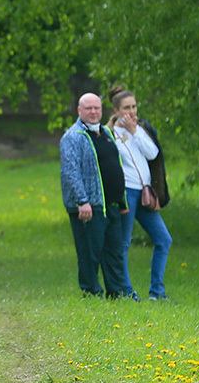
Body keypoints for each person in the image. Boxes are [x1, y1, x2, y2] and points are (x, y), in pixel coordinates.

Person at [59, 92, 136, 300]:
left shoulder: (105, 133)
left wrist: (122, 201)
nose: (93, 112)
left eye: (97, 108)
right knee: (90, 253)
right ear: (79, 111)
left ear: (102, 110)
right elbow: (70, 172)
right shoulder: (73, 137)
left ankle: (117, 293)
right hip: (88, 207)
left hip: (109, 205)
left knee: (114, 252)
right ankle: (91, 293)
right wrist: (82, 201)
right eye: (88, 108)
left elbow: (115, 166)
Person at [107, 86, 173, 301]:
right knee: (124, 244)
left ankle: (157, 293)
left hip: (145, 192)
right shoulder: (110, 134)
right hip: (126, 193)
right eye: (127, 108)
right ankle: (127, 292)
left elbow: (153, 153)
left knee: (164, 239)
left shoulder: (140, 128)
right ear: (116, 110)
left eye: (134, 107)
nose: (132, 112)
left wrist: (135, 132)